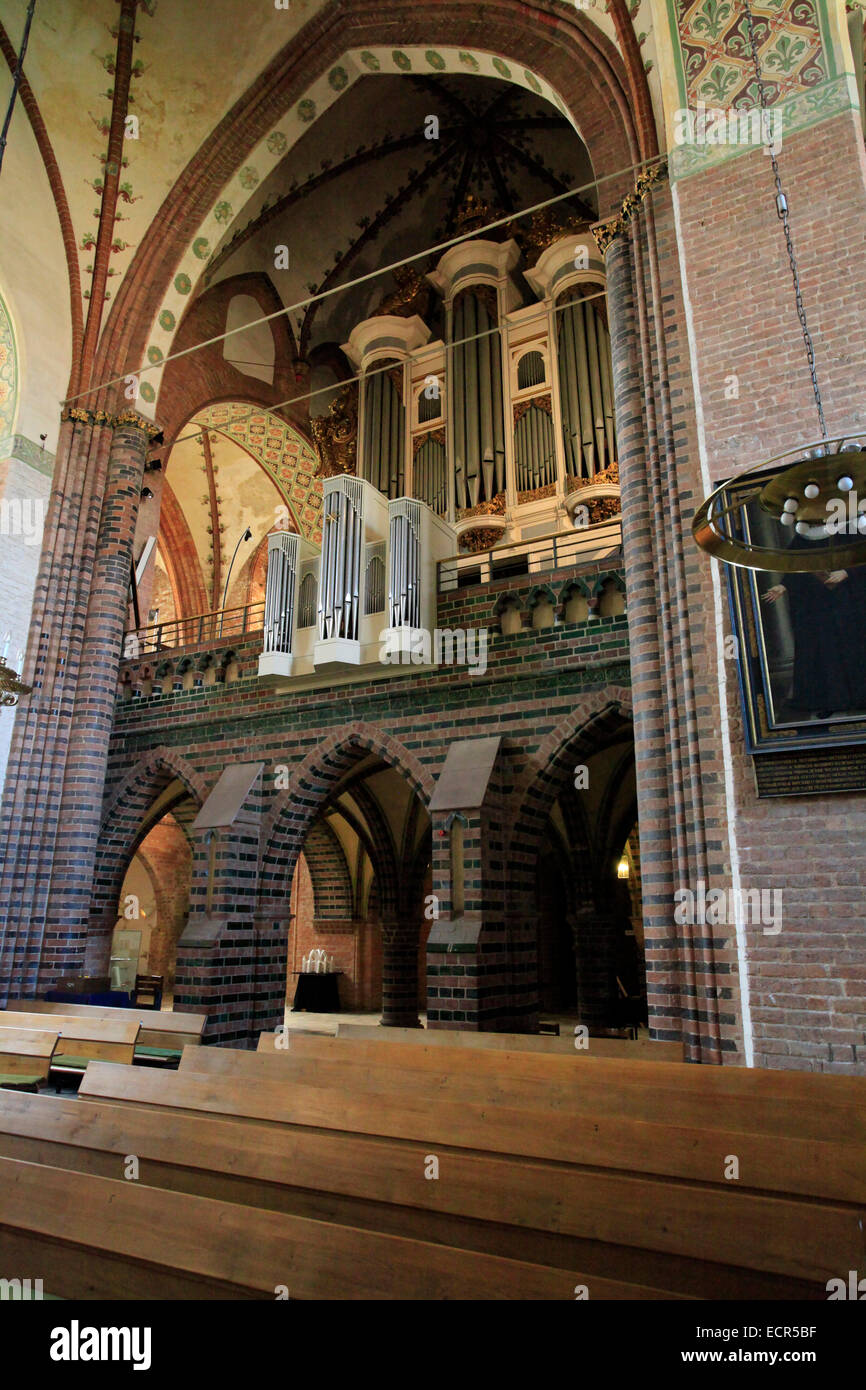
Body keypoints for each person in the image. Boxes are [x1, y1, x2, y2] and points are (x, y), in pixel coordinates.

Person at [762, 534, 866, 716]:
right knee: (826, 654)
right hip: (819, 607)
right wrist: (783, 587)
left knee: (854, 650)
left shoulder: (851, 531)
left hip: (850, 604)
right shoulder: (804, 538)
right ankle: (832, 702)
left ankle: (860, 699)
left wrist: (846, 572)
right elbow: (795, 567)